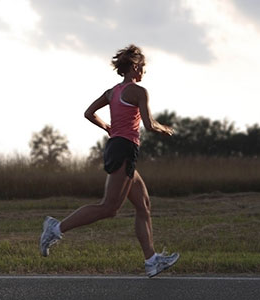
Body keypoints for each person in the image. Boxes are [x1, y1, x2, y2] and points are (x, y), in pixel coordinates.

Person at [40, 44, 180, 278]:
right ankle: (55, 229)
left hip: (119, 147)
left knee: (143, 206)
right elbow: (148, 124)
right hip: (125, 149)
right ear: (135, 67)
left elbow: (88, 113)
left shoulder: (112, 92)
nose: (144, 72)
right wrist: (164, 129)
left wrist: (107, 127)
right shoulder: (138, 91)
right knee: (109, 208)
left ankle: (152, 261)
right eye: (143, 68)